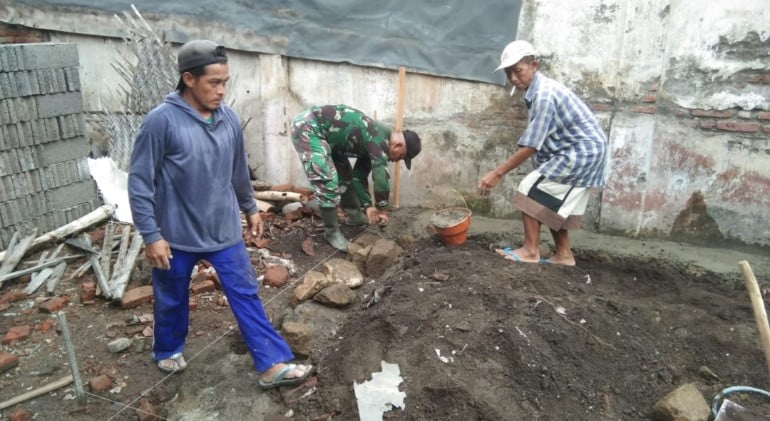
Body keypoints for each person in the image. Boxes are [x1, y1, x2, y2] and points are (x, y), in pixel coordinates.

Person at [128, 39, 312, 389]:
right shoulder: (160, 123)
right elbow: (140, 183)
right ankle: (168, 348)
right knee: (171, 297)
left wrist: (249, 208)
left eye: (225, 81)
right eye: (214, 82)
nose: (222, 90)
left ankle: (271, 364)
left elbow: (238, 170)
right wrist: (151, 235)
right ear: (188, 79)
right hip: (176, 235)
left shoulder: (227, 118)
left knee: (245, 293)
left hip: (223, 230)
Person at [477, 40, 608, 266]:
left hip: (581, 152)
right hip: (580, 151)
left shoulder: (544, 95)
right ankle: (564, 256)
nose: (514, 79)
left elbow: (531, 145)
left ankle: (530, 251)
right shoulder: (539, 90)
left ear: (533, 65)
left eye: (518, 71)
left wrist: (497, 174)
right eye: (509, 74)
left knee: (530, 190)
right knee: (549, 199)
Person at [290, 104, 421, 251]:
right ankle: (331, 233)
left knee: (345, 177)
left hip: (331, 141)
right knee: (327, 180)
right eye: (401, 157)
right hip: (309, 127)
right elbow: (381, 177)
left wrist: (368, 207)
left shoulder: (373, 145)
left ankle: (354, 215)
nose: (396, 161)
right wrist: (382, 209)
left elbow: (358, 178)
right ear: (398, 146)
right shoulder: (380, 141)